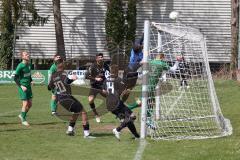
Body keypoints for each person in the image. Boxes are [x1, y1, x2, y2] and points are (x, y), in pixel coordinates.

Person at [48, 60, 95, 138]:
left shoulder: (53, 75)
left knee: (76, 111)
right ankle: (86, 134)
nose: (64, 63)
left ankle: (70, 130)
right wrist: (72, 79)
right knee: (83, 112)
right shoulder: (64, 74)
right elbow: (66, 82)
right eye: (63, 62)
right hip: (67, 98)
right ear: (60, 65)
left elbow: (49, 88)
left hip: (60, 98)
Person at [104, 65, 140, 140]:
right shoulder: (118, 80)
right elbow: (125, 92)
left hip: (109, 104)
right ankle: (117, 130)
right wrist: (131, 92)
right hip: (116, 104)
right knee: (132, 116)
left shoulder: (106, 80)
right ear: (116, 71)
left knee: (127, 120)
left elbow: (104, 91)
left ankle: (136, 136)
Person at [85, 53, 109, 123]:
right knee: (90, 100)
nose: (101, 58)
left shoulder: (106, 66)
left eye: (102, 57)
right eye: (100, 57)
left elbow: (108, 75)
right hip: (94, 86)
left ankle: (120, 114)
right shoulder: (92, 66)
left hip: (102, 85)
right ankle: (96, 115)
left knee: (111, 98)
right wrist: (95, 78)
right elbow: (86, 76)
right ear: (96, 59)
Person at [14, 51, 33, 126]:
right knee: (25, 103)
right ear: (22, 57)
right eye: (26, 54)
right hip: (22, 87)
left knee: (30, 104)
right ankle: (23, 120)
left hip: (28, 87)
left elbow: (28, 75)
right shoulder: (20, 66)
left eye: (28, 54)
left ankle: (22, 115)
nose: (28, 55)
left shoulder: (29, 64)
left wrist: (31, 80)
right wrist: (21, 86)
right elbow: (15, 78)